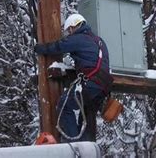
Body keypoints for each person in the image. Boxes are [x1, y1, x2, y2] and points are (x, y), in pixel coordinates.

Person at [34, 13, 113, 142]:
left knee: (64, 105)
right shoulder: (99, 41)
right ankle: (86, 149)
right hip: (103, 87)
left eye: (69, 31)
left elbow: (58, 46)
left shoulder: (78, 38)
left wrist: (39, 48)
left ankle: (74, 146)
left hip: (90, 84)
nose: (69, 34)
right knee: (87, 117)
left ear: (73, 27)